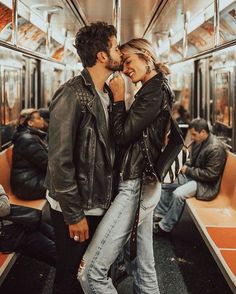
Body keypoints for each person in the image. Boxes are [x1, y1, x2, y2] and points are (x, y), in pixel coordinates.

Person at [78, 38, 173, 294]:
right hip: (142, 182)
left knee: (91, 272)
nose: (126, 69)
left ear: (146, 55)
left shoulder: (155, 90)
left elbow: (122, 136)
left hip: (137, 184)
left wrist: (118, 99)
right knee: (144, 266)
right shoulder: (152, 88)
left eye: (129, 61)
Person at [45, 22, 122, 294]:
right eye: (115, 47)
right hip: (77, 205)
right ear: (102, 55)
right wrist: (73, 213)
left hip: (96, 201)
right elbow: (59, 160)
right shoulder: (72, 94)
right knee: (70, 275)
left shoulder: (105, 95)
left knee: (86, 274)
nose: (120, 52)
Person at [153, 118, 227, 235]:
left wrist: (187, 169)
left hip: (205, 185)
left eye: (194, 134)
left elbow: (210, 175)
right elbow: (192, 161)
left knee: (178, 194)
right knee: (165, 183)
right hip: (194, 176)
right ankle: (159, 216)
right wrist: (184, 165)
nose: (192, 137)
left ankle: (164, 227)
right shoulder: (200, 142)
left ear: (203, 132)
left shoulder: (215, 148)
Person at [0, 185, 56, 266]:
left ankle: (71, 266)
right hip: (8, 235)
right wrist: (2, 194)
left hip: (14, 221)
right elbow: (4, 209)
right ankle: (71, 269)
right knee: (52, 249)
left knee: (53, 234)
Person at [11, 108, 48, 200]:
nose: (42, 119)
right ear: (30, 123)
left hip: (30, 179)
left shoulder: (33, 136)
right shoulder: (27, 139)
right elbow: (46, 163)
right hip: (26, 185)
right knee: (64, 186)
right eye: (39, 118)